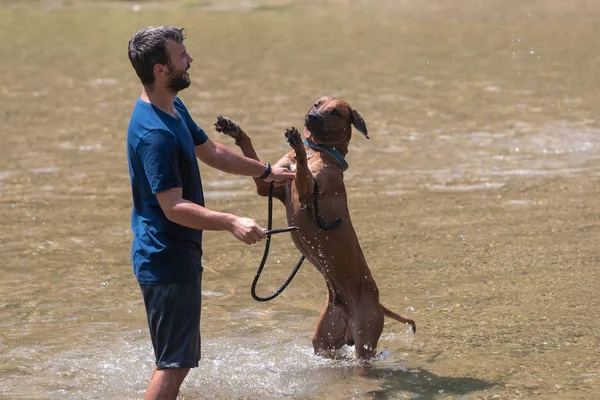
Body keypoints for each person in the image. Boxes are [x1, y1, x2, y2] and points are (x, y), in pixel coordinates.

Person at [126, 26, 295, 400]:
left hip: (173, 255)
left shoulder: (171, 107)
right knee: (173, 365)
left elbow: (212, 151)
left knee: (175, 360)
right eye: (181, 56)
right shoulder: (155, 134)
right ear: (159, 69)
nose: (190, 60)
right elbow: (173, 208)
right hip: (166, 259)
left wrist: (264, 171)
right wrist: (232, 221)